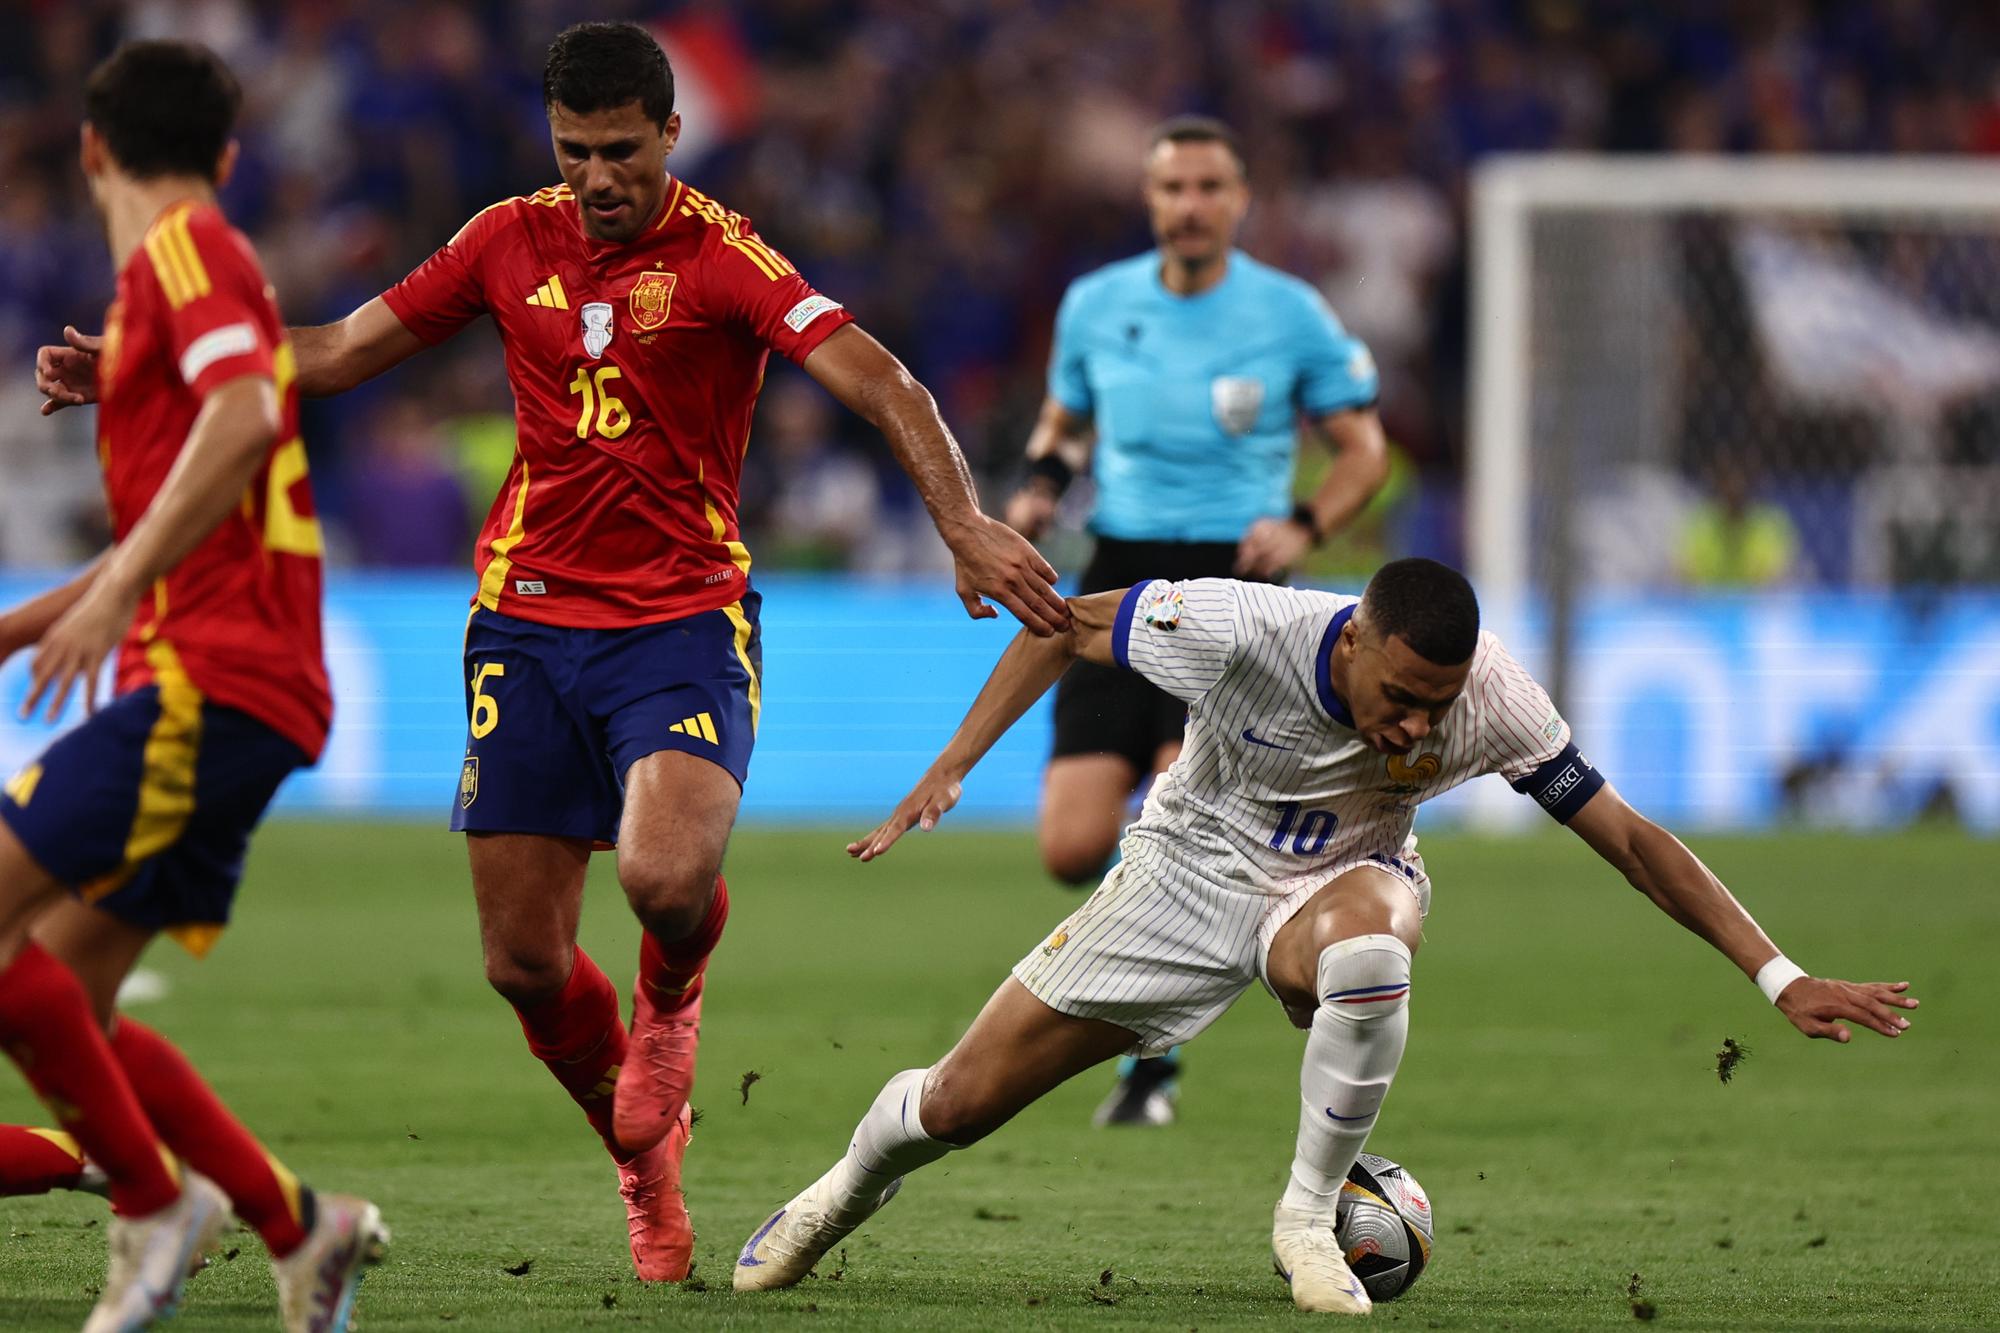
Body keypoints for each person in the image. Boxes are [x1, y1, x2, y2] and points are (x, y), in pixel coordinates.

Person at [34, 20, 1067, 1286]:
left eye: (621, 151)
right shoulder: (499, 238)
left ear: (670, 136)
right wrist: (144, 366)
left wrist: (961, 522)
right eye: (575, 152)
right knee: (521, 962)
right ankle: (643, 1160)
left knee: (663, 876)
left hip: (679, 618)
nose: (596, 178)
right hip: (523, 618)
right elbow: (343, 350)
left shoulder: (722, 255)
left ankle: (672, 1013)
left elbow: (883, 382)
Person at [732, 558, 1917, 1314]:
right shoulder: (1237, 628)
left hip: (1344, 878)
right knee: (956, 1103)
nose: (1412, 723)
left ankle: (1304, 1218)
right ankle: (842, 1189)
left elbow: (1628, 837)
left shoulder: (1488, 698)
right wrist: (949, 767)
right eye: (1397, 694)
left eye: (1432, 708)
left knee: (1368, 950)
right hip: (1182, 871)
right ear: (1349, 640)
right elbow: (1061, 625)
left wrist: (1776, 974)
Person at [1, 40, 386, 1331]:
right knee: (63, 990)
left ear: (92, 148)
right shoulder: (169, 295)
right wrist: (26, 625)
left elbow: (245, 419)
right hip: (244, 686)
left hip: (211, 683)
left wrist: (109, 600)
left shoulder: (184, 253)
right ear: (227, 152)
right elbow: (209, 476)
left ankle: (150, 1203)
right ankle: (296, 1223)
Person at [1001, 115, 1388, 1125]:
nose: (1189, 205)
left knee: (1181, 811)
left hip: (1237, 587)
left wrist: (1302, 523)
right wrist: (1040, 488)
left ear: (1239, 198)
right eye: (1172, 188)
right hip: (1121, 571)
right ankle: (1147, 1007)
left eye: (1209, 187)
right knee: (1069, 842)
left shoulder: (1289, 313)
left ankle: (1153, 1052)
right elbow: (1063, 417)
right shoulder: (1095, 305)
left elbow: (1362, 450)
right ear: (1148, 198)